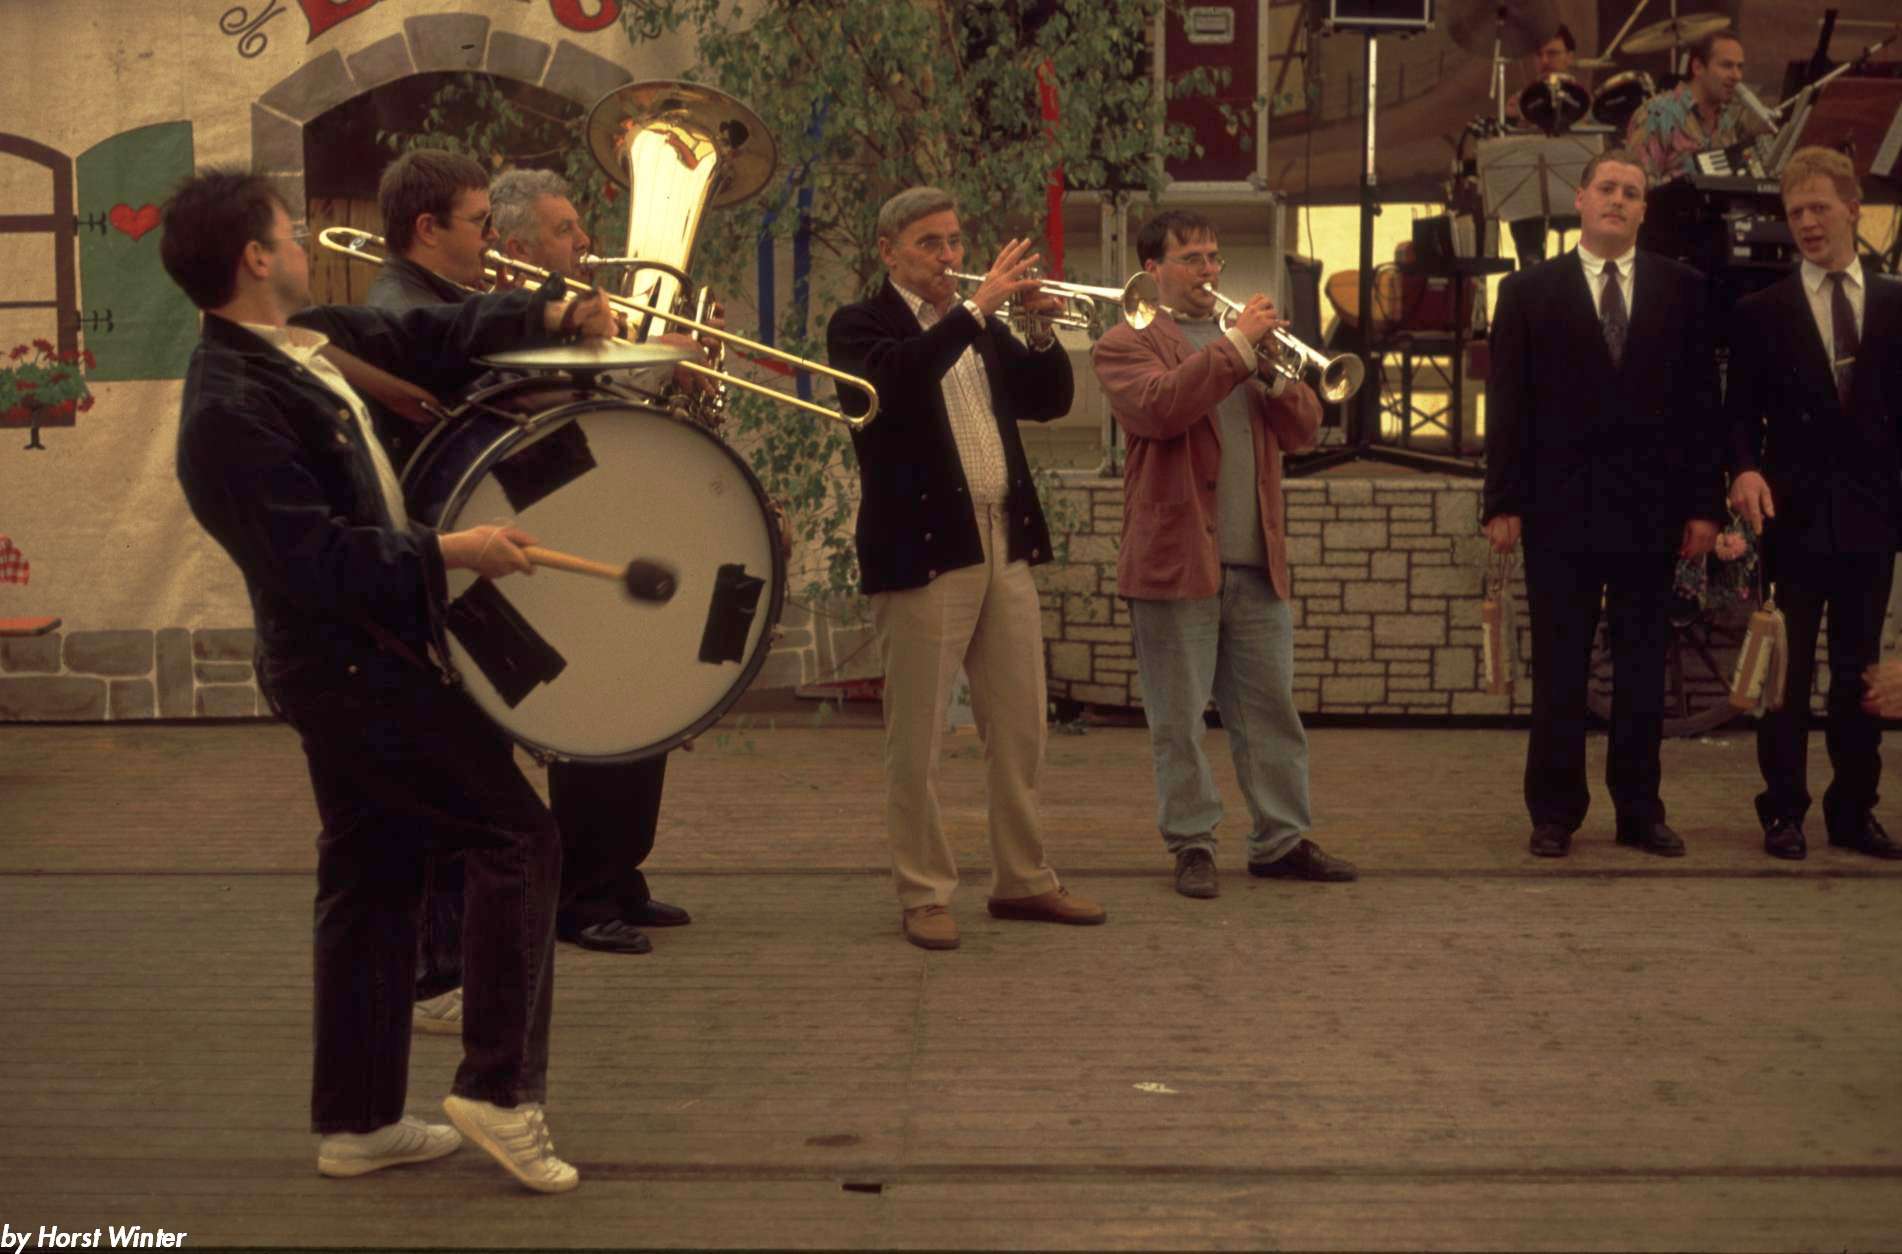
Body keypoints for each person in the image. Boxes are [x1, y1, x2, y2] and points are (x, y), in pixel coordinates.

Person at [164, 168, 618, 1192]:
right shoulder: (228, 408)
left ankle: (358, 1122)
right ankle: (500, 1090)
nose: (306, 243)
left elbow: (426, 333)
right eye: (290, 232)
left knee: (372, 874)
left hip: (365, 654)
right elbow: (311, 562)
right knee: (518, 836)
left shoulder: (301, 343)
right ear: (255, 257)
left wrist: (551, 311)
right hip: (348, 666)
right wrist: (452, 551)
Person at [825, 186, 1106, 950]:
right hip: (923, 551)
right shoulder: (860, 326)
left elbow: (1046, 402)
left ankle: (1023, 879)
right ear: (888, 252)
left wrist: (1040, 333)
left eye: (954, 241)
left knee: (1019, 727)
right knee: (917, 739)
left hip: (1001, 541)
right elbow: (898, 386)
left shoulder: (975, 327)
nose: (949, 257)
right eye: (930, 243)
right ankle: (923, 892)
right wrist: (976, 310)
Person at [1092, 209, 1347, 899]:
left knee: (1272, 715)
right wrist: (1237, 348)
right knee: (1178, 721)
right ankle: (1193, 843)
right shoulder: (1126, 341)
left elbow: (1304, 433)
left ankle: (1281, 840)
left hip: (1256, 561)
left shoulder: (1249, 346)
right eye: (1193, 259)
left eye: (1214, 258)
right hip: (1174, 563)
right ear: (1153, 269)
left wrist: (1274, 377)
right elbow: (1160, 408)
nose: (1209, 271)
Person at [1482, 147, 1724, 858]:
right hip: (1558, 510)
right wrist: (1502, 501)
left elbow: (1701, 407)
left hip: (1652, 511)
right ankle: (1554, 812)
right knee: (1560, 668)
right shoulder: (1527, 292)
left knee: (1643, 666)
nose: (1618, 200)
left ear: (1644, 210)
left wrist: (1704, 506)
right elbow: (1508, 405)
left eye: (1632, 192)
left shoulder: (1683, 289)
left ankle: (1640, 810)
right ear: (1581, 200)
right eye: (1607, 188)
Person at [1724, 146, 1901, 861]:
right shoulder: (1761, 312)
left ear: (1854, 209)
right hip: (1789, 519)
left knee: (1859, 674)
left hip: (1873, 518)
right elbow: (1738, 415)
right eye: (1795, 212)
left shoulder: (1896, 303)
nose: (1806, 223)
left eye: (1819, 208)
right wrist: (1743, 469)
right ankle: (1783, 812)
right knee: (1785, 678)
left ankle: (1854, 812)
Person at [1625, 31, 1767, 186]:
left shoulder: (1728, 119)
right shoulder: (1656, 113)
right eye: (1727, 66)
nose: (1736, 76)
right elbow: (1637, 184)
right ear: (1698, 67)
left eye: (1739, 67)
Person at [1507, 25, 1584, 263]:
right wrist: (1512, 122)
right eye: (1539, 55)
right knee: (1522, 207)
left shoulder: (1584, 101)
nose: (1544, 61)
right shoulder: (1521, 101)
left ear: (1569, 57)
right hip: (1533, 197)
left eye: (1552, 53)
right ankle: (1531, 267)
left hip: (1576, 193)